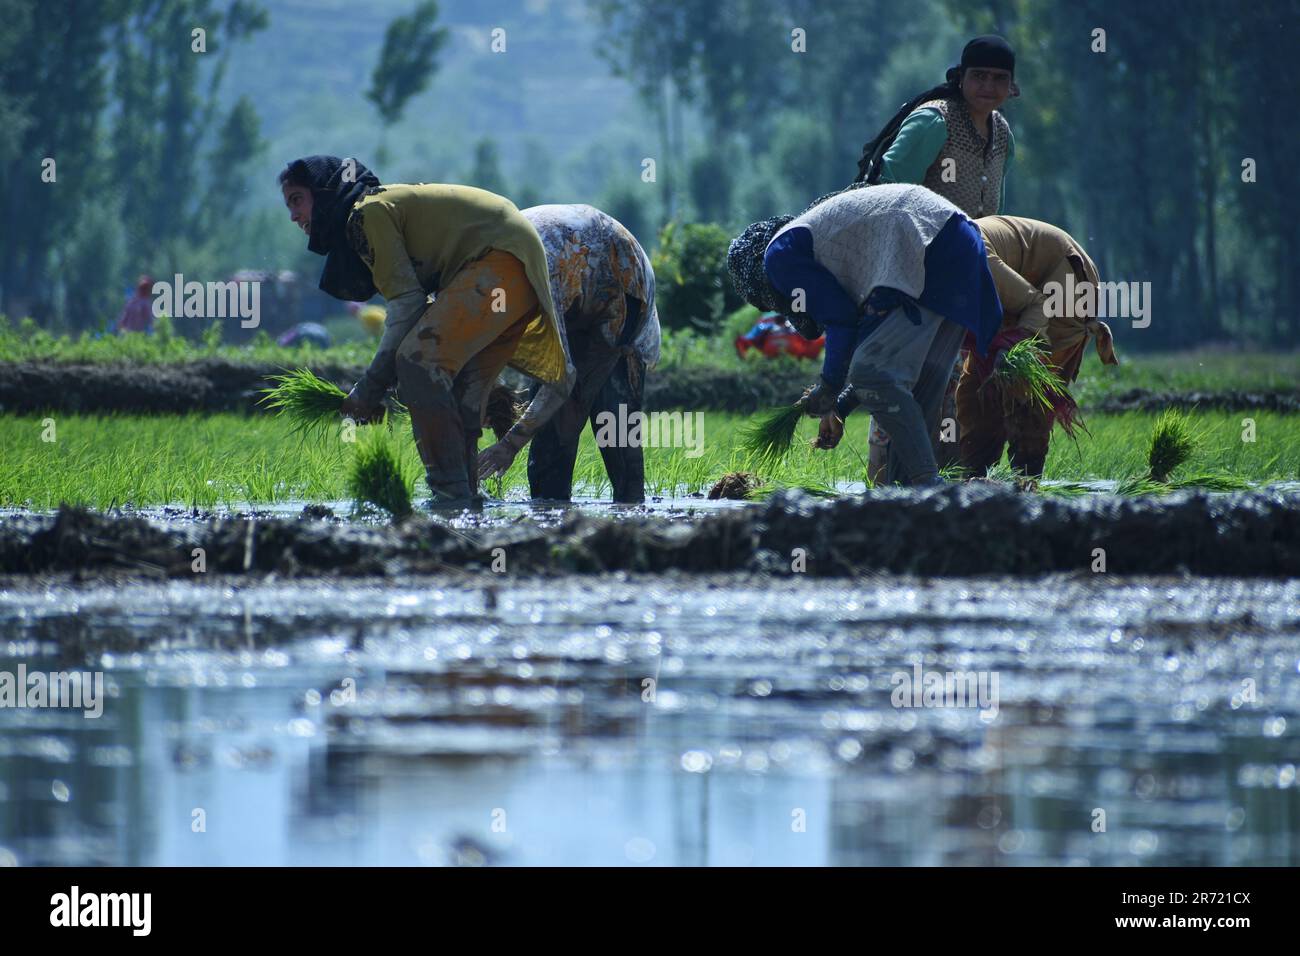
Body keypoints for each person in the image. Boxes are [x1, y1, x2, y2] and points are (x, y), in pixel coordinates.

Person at [278, 155, 568, 509]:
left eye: (297, 200)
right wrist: (377, 387)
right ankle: (465, 498)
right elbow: (415, 308)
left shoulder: (366, 212)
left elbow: (407, 306)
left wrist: (369, 388)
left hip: (500, 261)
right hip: (513, 272)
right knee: (459, 389)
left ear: (323, 193)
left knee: (417, 363)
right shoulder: (373, 210)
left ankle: (449, 496)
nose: (293, 215)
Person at [726, 183, 1002, 487]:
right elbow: (874, 352)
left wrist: (828, 387)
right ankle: (912, 499)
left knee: (872, 373)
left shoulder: (778, 257)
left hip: (928, 249)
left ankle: (928, 486)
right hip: (959, 248)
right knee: (916, 392)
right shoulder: (828, 253)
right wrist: (840, 406)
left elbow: (842, 323)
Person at [854, 34, 1020, 479]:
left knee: (948, 382)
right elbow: (889, 191)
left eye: (998, 78)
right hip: (914, 272)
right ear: (961, 78)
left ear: (1011, 86)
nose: (988, 85)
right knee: (901, 376)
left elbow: (993, 212)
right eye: (979, 76)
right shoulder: (934, 121)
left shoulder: (1002, 133)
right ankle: (886, 485)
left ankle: (937, 486)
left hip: (962, 276)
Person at [476, 204, 660, 503]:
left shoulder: (536, 283)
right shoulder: (480, 289)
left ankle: (630, 520)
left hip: (622, 286)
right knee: (549, 440)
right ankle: (551, 517)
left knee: (611, 422)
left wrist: (509, 445)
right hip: (570, 275)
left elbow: (562, 378)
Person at [956, 216, 1119, 477]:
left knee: (1028, 394)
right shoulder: (927, 273)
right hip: (1015, 295)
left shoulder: (973, 258)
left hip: (1062, 279)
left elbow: (1037, 304)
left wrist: (1015, 343)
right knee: (976, 395)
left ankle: (1027, 486)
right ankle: (974, 482)